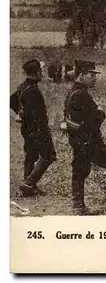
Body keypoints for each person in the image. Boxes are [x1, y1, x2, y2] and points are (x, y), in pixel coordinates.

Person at [63, 60, 106, 215]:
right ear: (81, 76)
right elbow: (93, 123)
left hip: (78, 141)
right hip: (89, 142)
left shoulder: (72, 92)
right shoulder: (82, 95)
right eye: (91, 75)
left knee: (79, 170)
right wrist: (100, 112)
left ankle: (78, 206)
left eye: (95, 75)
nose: (95, 78)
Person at [10, 59, 57, 197]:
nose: (42, 73)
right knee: (49, 156)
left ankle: (29, 188)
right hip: (37, 130)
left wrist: (16, 117)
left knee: (31, 156)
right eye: (41, 71)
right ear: (36, 72)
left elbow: (10, 104)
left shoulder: (22, 87)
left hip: (27, 129)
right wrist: (41, 131)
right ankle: (29, 183)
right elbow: (33, 115)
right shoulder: (32, 91)